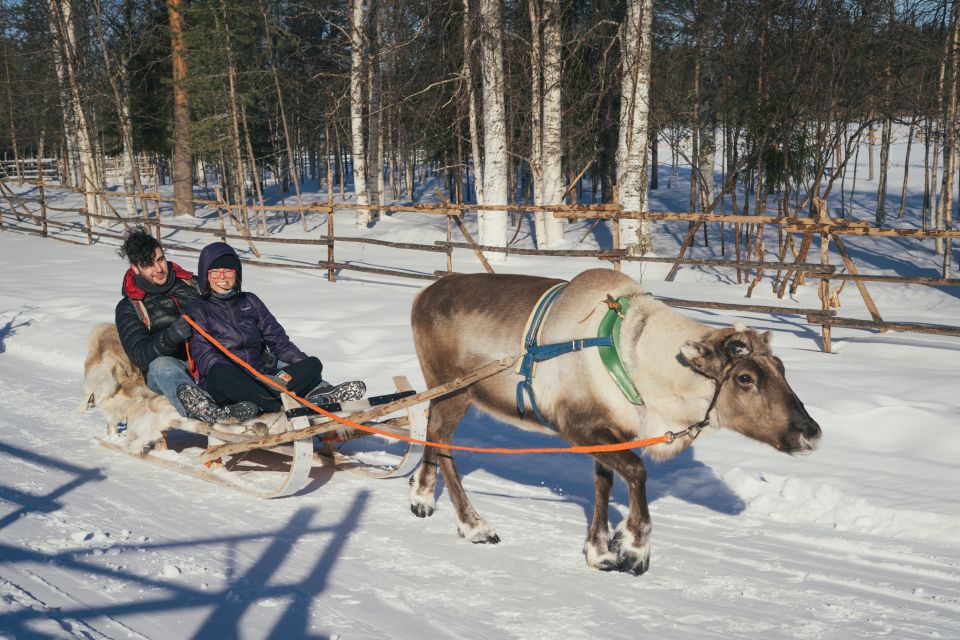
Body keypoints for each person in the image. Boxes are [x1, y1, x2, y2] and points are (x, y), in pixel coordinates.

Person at [180, 242, 365, 417]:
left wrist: (307, 372)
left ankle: (301, 395)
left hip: (263, 378)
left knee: (313, 364)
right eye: (215, 272)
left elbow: (279, 342)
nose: (222, 276)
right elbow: (205, 356)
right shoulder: (197, 308)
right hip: (229, 381)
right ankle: (280, 403)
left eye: (228, 270)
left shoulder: (250, 301)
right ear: (206, 275)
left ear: (236, 273)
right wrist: (245, 376)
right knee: (219, 373)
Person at [115, 226, 253, 424]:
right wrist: (170, 336)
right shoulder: (130, 306)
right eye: (149, 265)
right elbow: (140, 356)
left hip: (210, 355)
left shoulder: (193, 284)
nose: (159, 269)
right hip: (173, 368)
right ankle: (204, 408)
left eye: (160, 259)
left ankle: (302, 393)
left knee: (262, 354)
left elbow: (230, 310)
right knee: (161, 366)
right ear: (135, 268)